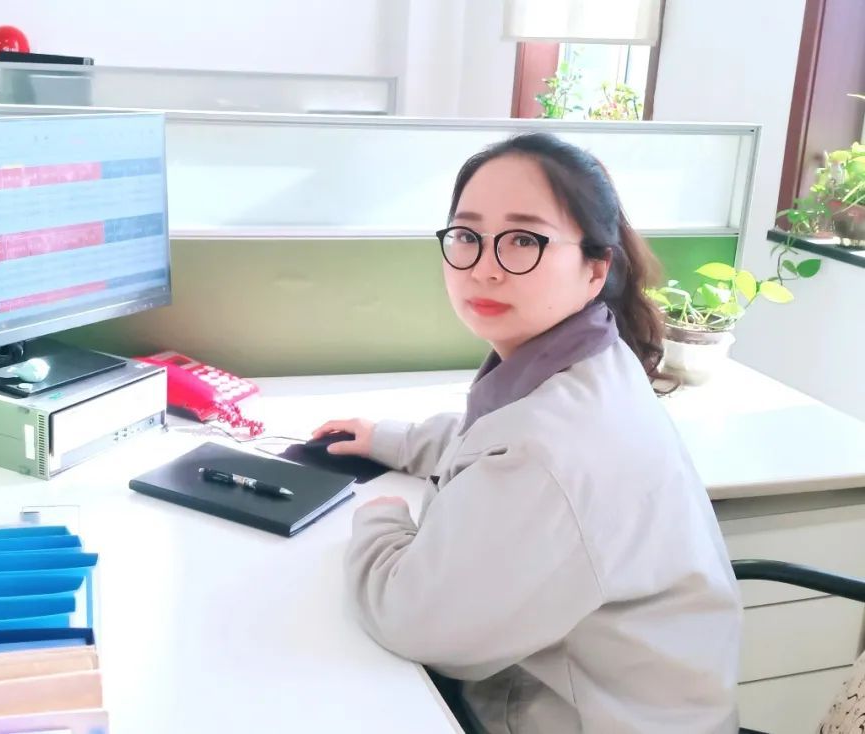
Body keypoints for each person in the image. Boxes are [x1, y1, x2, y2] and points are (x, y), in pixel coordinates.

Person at [312, 133, 742, 734]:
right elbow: (494, 439)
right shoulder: (588, 357)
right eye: (467, 236)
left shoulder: (556, 448)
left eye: (523, 240)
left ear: (595, 267)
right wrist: (395, 439)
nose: (484, 268)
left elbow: (412, 621)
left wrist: (379, 521)